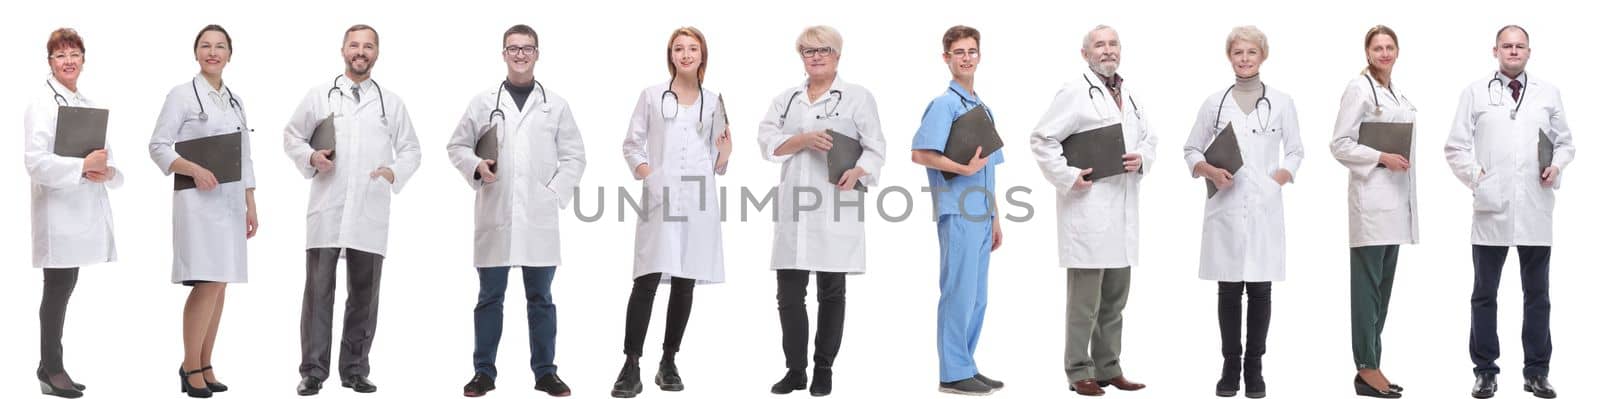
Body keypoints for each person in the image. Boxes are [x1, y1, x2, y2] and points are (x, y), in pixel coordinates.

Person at [281, 24, 422, 396]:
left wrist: (393, 171)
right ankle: (313, 371)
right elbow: (291, 135)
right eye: (355, 45)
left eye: (368, 46)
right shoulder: (319, 96)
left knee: (364, 294)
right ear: (343, 49)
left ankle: (355, 369)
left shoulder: (390, 103)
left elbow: (411, 149)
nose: (361, 52)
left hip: (368, 211)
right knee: (318, 294)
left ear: (377, 53)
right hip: (327, 209)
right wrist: (311, 156)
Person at [445, 24, 585, 398]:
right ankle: (483, 374)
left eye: (527, 48)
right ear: (503, 54)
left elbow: (574, 156)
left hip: (539, 217)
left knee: (541, 299)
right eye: (513, 48)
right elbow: (457, 146)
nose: (520, 54)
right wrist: (477, 166)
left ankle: (545, 373)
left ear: (537, 53)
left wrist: (552, 192)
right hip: (496, 214)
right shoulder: (483, 101)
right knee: (490, 298)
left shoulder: (555, 104)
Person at [1444, 25, 1573, 399]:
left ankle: (1536, 372)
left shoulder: (1548, 94)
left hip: (1535, 206)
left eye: (1519, 46)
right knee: (1484, 294)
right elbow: (1455, 147)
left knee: (1538, 295)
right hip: (1491, 209)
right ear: (1495, 50)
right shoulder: (1474, 92)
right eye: (1507, 46)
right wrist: (1477, 177)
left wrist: (1557, 166)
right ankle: (1485, 371)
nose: (1513, 51)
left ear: (1529, 52)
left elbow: (1566, 143)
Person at [756, 25, 886, 397]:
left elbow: (876, 147)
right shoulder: (787, 98)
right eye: (808, 51)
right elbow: (766, 141)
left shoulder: (858, 97)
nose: (815, 56)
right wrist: (801, 139)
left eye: (823, 50)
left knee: (831, 291)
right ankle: (795, 370)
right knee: (789, 294)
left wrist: (861, 170)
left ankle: (823, 369)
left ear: (837, 55)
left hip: (834, 203)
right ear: (801, 57)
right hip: (795, 206)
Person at [1028, 24, 1153, 397]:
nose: (1108, 50)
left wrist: (1142, 158)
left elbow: (1149, 137)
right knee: (1085, 303)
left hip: (1122, 211)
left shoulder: (1129, 95)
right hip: (1088, 211)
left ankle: (1108, 366)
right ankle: (1078, 369)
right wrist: (1068, 176)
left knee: (1115, 299)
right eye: (1099, 45)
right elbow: (1042, 138)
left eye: (1113, 43)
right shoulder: (1074, 93)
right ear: (1085, 53)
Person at [1181, 25, 1304, 399]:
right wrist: (1208, 171)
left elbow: (1296, 151)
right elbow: (1191, 149)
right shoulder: (1214, 103)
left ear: (1262, 56)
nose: (1245, 59)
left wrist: (1279, 177)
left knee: (1261, 290)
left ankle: (1255, 367)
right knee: (1229, 290)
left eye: (1251, 52)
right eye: (1238, 53)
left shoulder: (1281, 101)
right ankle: (1230, 365)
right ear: (1229, 57)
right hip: (1227, 205)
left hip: (1264, 206)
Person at [612, 26, 733, 398]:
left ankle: (668, 361)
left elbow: (719, 156)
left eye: (692, 48)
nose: (685, 54)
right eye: (678, 48)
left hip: (698, 200)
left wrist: (725, 155)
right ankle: (631, 364)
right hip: (660, 196)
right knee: (646, 279)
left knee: (685, 280)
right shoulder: (652, 96)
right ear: (670, 55)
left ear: (702, 55)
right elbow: (632, 144)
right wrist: (650, 175)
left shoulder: (713, 101)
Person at [148, 24, 259, 399]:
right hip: (197, 203)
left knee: (221, 282)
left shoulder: (235, 100)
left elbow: (245, 157)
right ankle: (189, 365)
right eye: (206, 46)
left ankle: (207, 363)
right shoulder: (181, 95)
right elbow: (158, 145)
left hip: (229, 203)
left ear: (230, 54)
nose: (213, 52)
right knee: (207, 281)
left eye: (220, 46)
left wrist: (251, 203)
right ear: (196, 53)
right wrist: (193, 168)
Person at [909, 25, 1007, 396]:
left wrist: (996, 217)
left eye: (972, 51)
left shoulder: (982, 107)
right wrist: (962, 169)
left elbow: (989, 169)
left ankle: (966, 364)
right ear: (946, 58)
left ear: (979, 56)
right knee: (958, 291)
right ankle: (951, 372)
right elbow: (920, 153)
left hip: (983, 212)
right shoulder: (944, 104)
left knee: (978, 294)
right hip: (958, 210)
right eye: (959, 52)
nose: (966, 57)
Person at [26, 27, 121, 399]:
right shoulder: (41, 102)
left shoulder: (85, 103)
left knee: (63, 287)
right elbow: (34, 162)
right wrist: (82, 167)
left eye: (74, 54)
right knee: (57, 289)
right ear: (50, 62)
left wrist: (106, 171)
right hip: (58, 214)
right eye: (61, 55)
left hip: (81, 212)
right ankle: (51, 368)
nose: (68, 61)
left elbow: (108, 159)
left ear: (84, 60)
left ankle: (49, 365)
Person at [1328, 25, 1415, 399]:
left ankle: (1374, 365)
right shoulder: (1358, 88)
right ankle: (1365, 366)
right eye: (1377, 47)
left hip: (1395, 203)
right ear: (1367, 52)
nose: (1384, 53)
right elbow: (1339, 144)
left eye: (1389, 47)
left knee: (1383, 290)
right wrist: (1380, 156)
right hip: (1371, 204)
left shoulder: (1395, 92)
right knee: (1366, 291)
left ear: (1397, 51)